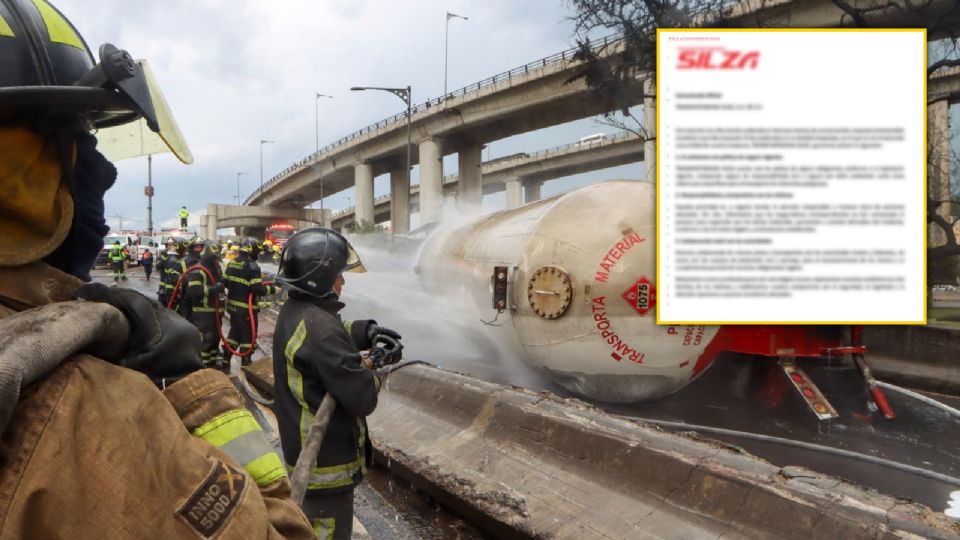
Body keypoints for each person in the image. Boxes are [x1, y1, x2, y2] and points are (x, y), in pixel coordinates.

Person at [0, 0, 314, 537]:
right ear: (26, 172)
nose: (99, 171)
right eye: (83, 140)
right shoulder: (85, 411)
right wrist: (195, 390)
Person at [273, 227, 403, 539]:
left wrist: (366, 330)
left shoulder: (296, 312)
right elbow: (362, 397)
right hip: (325, 467)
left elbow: (333, 330)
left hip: (305, 455)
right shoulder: (321, 332)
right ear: (321, 279)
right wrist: (375, 364)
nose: (343, 282)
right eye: (339, 275)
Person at [223, 238, 275, 366]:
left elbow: (225, 283)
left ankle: (226, 357)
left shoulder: (232, 263)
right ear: (252, 251)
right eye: (257, 251)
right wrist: (272, 289)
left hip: (233, 307)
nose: (258, 254)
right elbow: (256, 288)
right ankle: (246, 360)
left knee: (235, 332)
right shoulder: (253, 266)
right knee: (248, 335)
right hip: (246, 309)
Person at [186, 241, 226, 369]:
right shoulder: (198, 270)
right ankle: (203, 367)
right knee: (207, 341)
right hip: (204, 312)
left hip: (215, 311)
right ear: (209, 256)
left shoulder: (216, 268)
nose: (217, 261)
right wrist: (215, 289)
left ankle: (212, 363)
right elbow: (194, 291)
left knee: (215, 340)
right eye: (215, 258)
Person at [161, 237, 188, 314]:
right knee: (174, 313)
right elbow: (173, 278)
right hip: (173, 292)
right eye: (184, 249)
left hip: (172, 291)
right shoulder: (173, 260)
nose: (185, 252)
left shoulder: (175, 258)